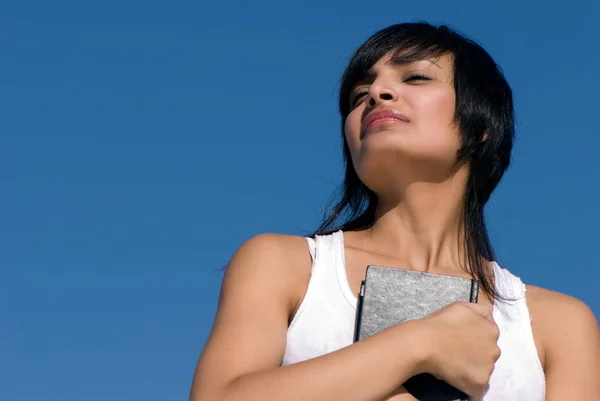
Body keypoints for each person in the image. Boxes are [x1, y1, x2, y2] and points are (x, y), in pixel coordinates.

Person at [189, 22, 600, 401]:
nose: (377, 93)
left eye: (416, 77)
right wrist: (417, 344)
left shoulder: (557, 323)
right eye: (358, 95)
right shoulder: (284, 265)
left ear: (481, 125)